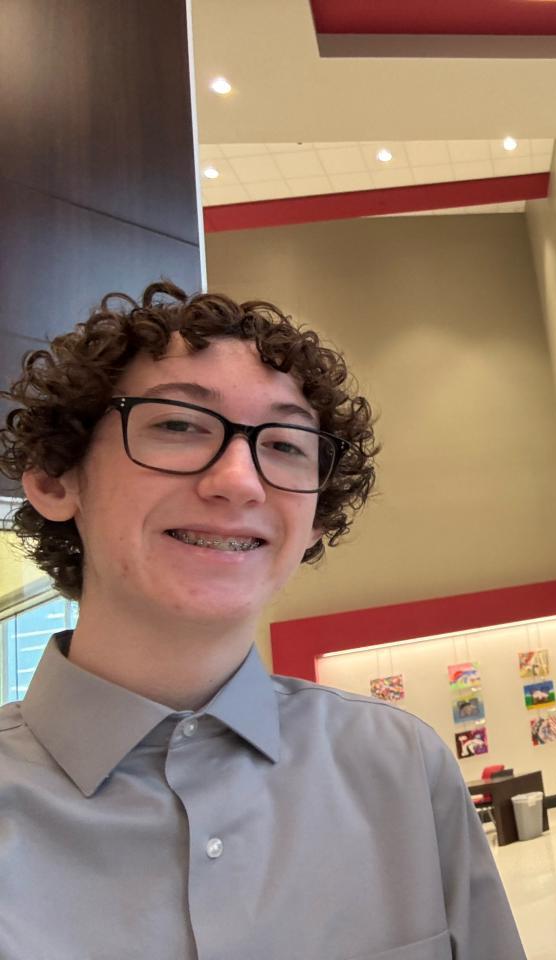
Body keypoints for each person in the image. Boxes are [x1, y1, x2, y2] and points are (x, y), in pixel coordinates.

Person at [0, 283, 526, 959]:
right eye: (178, 425)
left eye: (284, 445)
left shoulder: (401, 769)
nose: (240, 481)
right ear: (55, 478)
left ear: (314, 522)